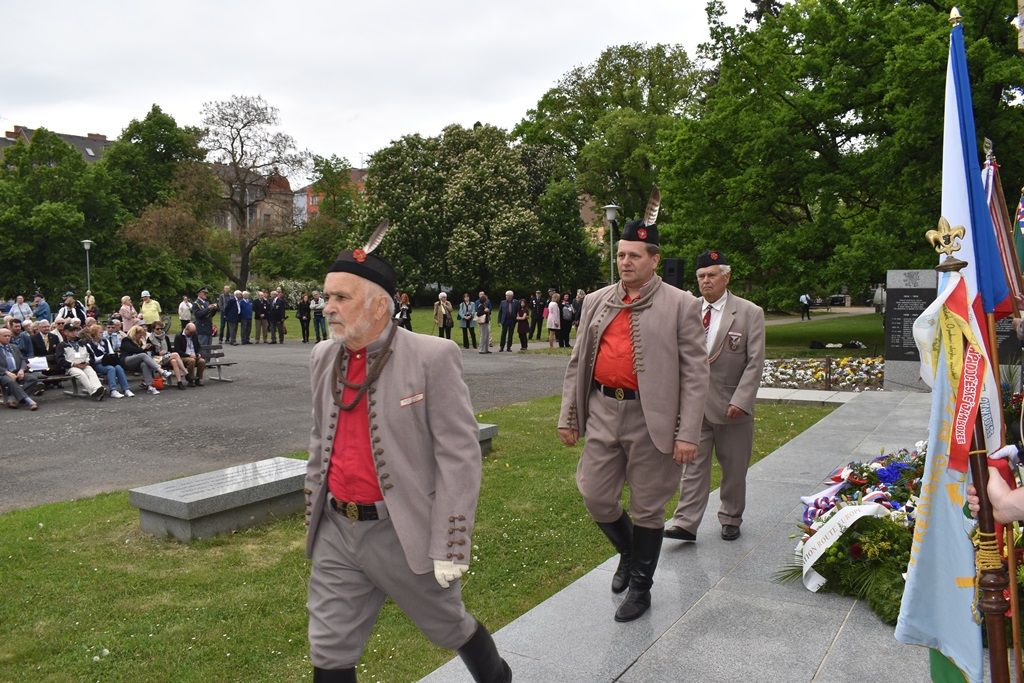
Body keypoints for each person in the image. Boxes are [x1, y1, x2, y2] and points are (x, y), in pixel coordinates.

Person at [304, 245, 511, 683]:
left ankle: (498, 677)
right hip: (338, 530)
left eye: (341, 298)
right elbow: (319, 439)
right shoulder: (324, 357)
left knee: (449, 625)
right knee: (329, 649)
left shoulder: (432, 356)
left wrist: (451, 542)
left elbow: (459, 455)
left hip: (403, 531)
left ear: (381, 304)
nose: (328, 308)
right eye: (327, 297)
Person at [556, 213, 709, 623]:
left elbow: (696, 373)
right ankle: (628, 550)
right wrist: (568, 416)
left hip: (652, 417)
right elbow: (577, 362)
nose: (625, 262)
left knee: (648, 507)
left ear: (654, 259)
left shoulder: (681, 304)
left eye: (634, 256)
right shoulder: (595, 300)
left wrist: (688, 432)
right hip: (603, 409)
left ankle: (641, 586)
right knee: (595, 494)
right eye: (621, 255)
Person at [664, 250, 765, 543]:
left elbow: (755, 362)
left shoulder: (749, 313)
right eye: (701, 276)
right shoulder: (688, 309)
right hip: (694, 407)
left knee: (734, 468)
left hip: (732, 406)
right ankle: (685, 522)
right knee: (692, 466)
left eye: (711, 275)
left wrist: (742, 401)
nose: (705, 281)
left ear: (726, 276)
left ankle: (731, 517)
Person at [55, 319, 105, 399]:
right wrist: (73, 364)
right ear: (65, 333)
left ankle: (99, 388)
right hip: (71, 367)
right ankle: (93, 391)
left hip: (85, 364)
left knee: (91, 372)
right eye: (71, 331)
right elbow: (60, 360)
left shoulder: (82, 342)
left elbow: (91, 355)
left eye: (75, 330)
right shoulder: (62, 345)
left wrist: (88, 363)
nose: (74, 332)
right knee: (81, 374)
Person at [82, 324, 133, 398]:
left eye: (102, 332)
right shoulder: (89, 345)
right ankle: (113, 390)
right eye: (100, 332)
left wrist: (111, 356)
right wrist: (104, 357)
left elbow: (111, 352)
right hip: (98, 364)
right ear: (94, 334)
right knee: (111, 368)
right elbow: (94, 359)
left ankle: (126, 389)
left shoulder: (105, 341)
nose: (102, 334)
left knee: (118, 367)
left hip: (108, 361)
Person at [0, 326, 41, 409]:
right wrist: (7, 372)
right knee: (10, 381)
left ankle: (14, 398)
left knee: (33, 379)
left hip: (16, 372)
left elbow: (23, 360)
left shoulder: (14, 347)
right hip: (3, 374)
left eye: (9, 336)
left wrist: (22, 370)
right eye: (5, 336)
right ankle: (30, 401)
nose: (8, 338)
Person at [121, 324, 166, 395]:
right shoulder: (126, 340)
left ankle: (150, 386)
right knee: (142, 355)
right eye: (140, 335)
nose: (141, 337)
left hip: (136, 363)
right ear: (134, 334)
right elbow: (132, 350)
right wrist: (143, 348)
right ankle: (161, 370)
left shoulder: (139, 342)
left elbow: (142, 352)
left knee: (144, 364)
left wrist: (147, 347)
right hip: (126, 360)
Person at [149, 322, 189, 390]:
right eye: (157, 329)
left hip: (166, 357)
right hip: (156, 359)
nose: (160, 330)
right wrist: (159, 353)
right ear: (153, 329)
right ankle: (186, 373)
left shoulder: (166, 337)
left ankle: (179, 382)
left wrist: (166, 352)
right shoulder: (150, 338)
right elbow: (150, 352)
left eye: (161, 328)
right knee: (175, 354)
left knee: (174, 361)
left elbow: (170, 349)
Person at [174, 323, 206, 387]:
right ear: (186, 329)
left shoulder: (194, 335)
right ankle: (190, 380)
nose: (192, 334)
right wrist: (189, 355)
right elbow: (177, 351)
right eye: (191, 332)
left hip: (194, 356)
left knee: (202, 361)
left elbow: (199, 347)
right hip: (183, 357)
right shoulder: (179, 336)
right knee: (191, 360)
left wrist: (199, 354)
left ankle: (198, 379)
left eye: (193, 332)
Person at [192, 286, 218, 355]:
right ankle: (203, 363)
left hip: (208, 327)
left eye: (206, 293)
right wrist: (208, 308)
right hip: (201, 328)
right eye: (204, 293)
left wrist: (214, 309)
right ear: (199, 294)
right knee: (203, 346)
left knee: (208, 346)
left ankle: (208, 362)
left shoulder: (206, 303)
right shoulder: (196, 304)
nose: (206, 294)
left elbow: (210, 315)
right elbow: (198, 315)